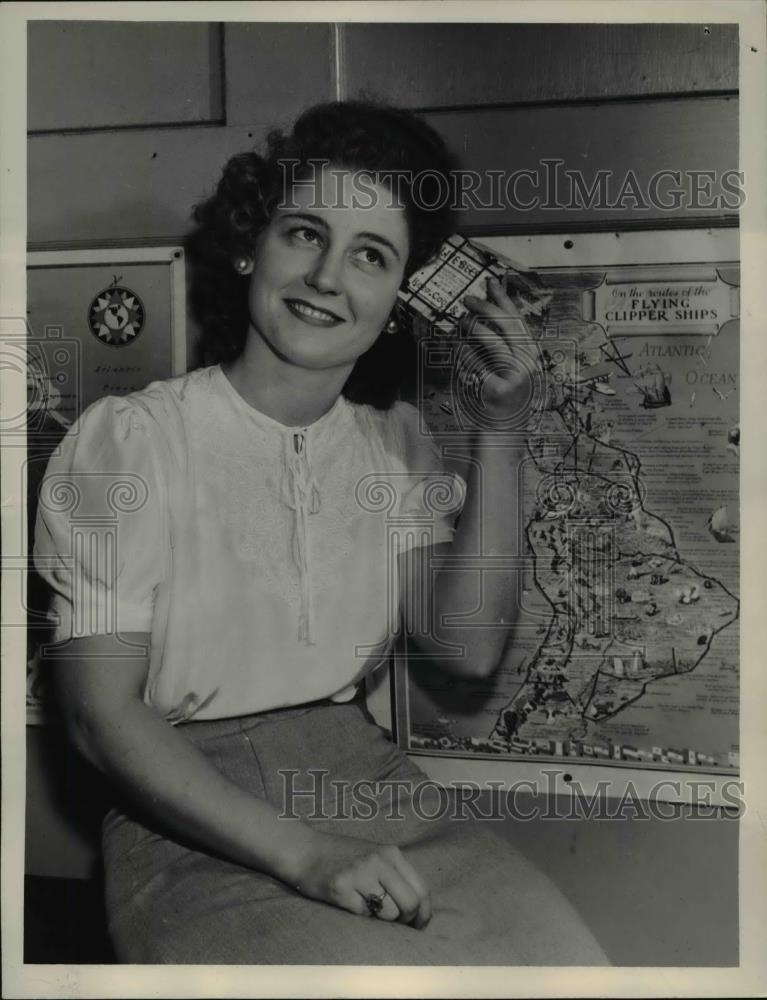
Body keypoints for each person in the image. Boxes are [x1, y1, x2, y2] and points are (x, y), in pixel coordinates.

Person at [33, 100, 608, 965]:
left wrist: (502, 426)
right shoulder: (133, 440)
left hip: (371, 785)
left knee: (570, 966)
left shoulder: (392, 446)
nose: (327, 276)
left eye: (370, 255)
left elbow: (466, 646)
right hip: (186, 813)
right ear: (247, 245)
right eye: (305, 234)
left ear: (399, 299)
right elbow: (99, 720)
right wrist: (305, 854)